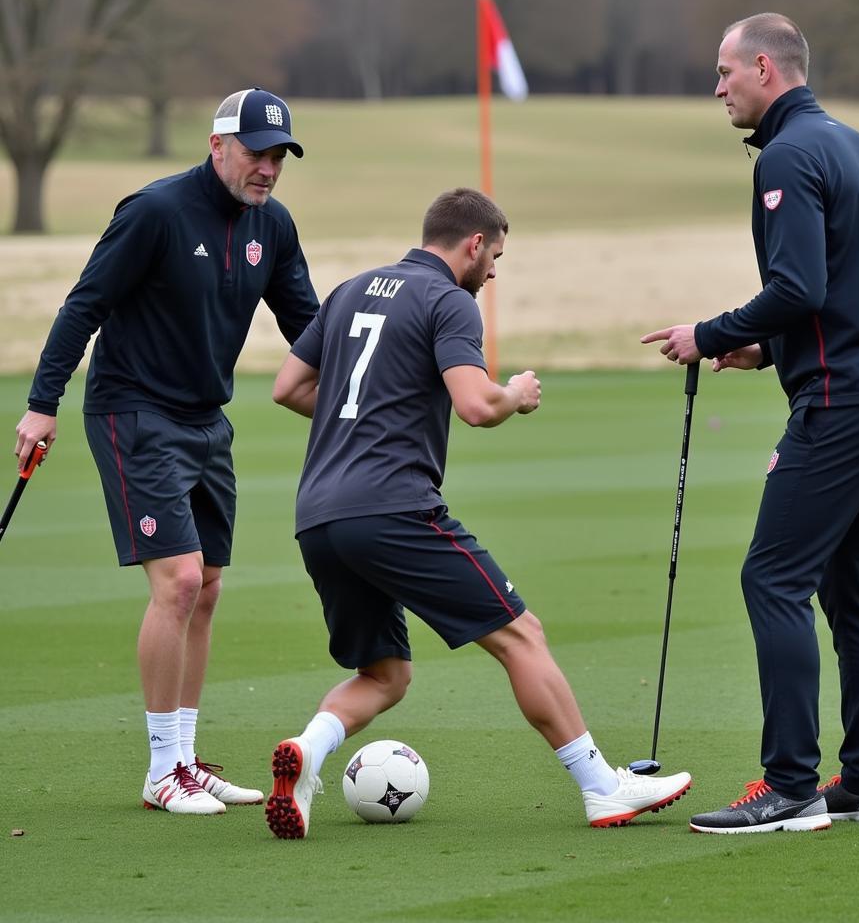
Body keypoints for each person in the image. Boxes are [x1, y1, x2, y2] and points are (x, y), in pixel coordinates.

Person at [266, 187, 691, 838]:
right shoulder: (449, 301)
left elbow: (288, 387)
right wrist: (515, 394)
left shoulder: (351, 289)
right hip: (394, 509)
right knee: (522, 636)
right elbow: (475, 406)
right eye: (495, 255)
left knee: (384, 675)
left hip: (319, 517)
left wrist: (368, 415)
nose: (494, 270)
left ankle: (306, 757)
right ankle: (602, 788)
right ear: (472, 244)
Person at [642, 13, 859, 834]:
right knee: (852, 584)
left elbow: (802, 288)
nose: (717, 88)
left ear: (764, 68)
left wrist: (710, 335)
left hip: (847, 397)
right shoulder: (856, 144)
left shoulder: (786, 153)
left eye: (724, 71)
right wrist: (771, 350)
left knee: (772, 577)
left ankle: (791, 787)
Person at [14, 88, 320, 815]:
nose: (269, 168)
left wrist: (364, 382)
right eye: (256, 152)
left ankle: (185, 758)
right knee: (178, 581)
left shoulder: (271, 227)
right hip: (133, 411)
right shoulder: (153, 211)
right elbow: (83, 305)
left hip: (207, 419)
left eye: (279, 155)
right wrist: (41, 403)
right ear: (217, 146)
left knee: (208, 584)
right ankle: (160, 772)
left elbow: (306, 321)